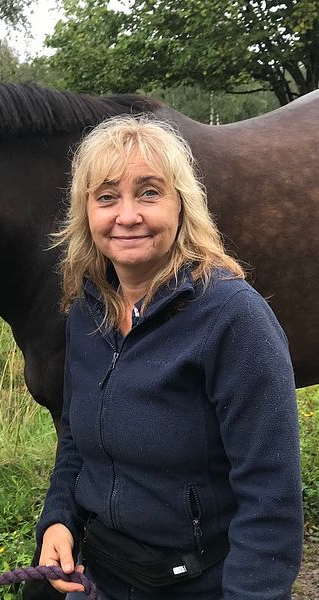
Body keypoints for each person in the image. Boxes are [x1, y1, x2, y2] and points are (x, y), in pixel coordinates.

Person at [36, 115, 303, 600]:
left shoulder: (233, 319)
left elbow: (270, 495)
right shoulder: (86, 313)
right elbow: (75, 437)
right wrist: (59, 518)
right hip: (99, 575)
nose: (128, 214)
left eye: (150, 192)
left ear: (183, 205)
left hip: (197, 584)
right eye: (107, 196)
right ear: (85, 214)